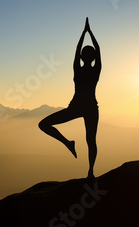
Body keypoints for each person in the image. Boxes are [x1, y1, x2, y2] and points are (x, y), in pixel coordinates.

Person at [38, 17, 101, 179]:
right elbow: (97, 49)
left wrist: (84, 32)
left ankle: (87, 168)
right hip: (87, 108)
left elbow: (78, 48)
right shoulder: (95, 70)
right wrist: (89, 32)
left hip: (78, 107)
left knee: (44, 124)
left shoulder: (78, 69)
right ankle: (90, 172)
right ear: (93, 58)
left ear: (81, 57)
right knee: (91, 141)